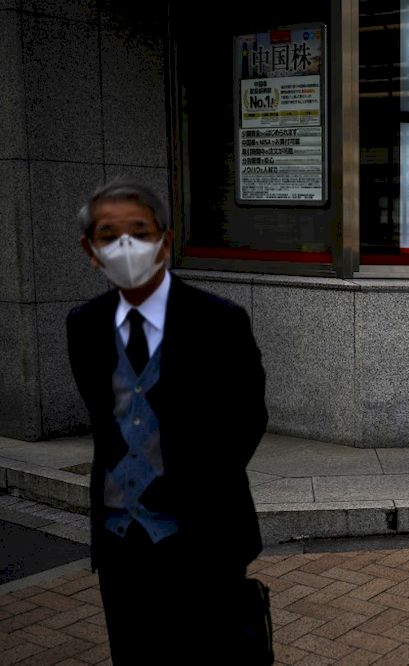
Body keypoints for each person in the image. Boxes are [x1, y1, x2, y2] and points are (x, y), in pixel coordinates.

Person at [66, 178, 271, 663]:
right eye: (109, 235)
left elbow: (247, 419)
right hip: (121, 543)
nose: (126, 246)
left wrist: (190, 494)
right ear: (91, 251)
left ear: (165, 241)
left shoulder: (220, 320)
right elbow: (106, 422)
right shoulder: (83, 324)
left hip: (205, 538)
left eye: (139, 232)